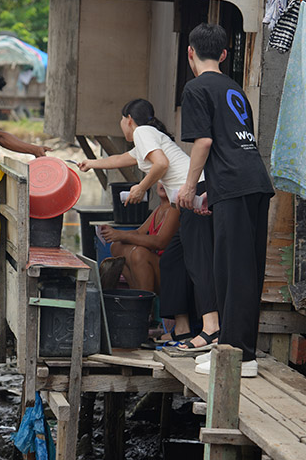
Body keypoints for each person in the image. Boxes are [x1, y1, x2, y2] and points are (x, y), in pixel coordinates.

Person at [177, 23, 274, 378]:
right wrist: (208, 191)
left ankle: (238, 357)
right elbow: (235, 145)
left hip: (234, 186)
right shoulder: (235, 88)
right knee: (244, 271)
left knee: (232, 273)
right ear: (223, 54)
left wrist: (189, 188)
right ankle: (236, 351)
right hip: (254, 183)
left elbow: (204, 142)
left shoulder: (196, 88)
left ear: (190, 53)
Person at [78, 99, 214, 346]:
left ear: (128, 118)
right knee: (173, 260)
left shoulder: (142, 132)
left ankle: (210, 329)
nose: (122, 125)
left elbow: (161, 164)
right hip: (185, 200)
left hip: (197, 195)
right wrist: (91, 163)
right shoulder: (148, 136)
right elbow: (120, 159)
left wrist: (141, 188)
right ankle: (182, 329)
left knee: (198, 262)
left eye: (121, 121)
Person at [96, 183, 179, 294]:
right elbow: (138, 232)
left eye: (168, 180)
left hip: (170, 272)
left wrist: (121, 235)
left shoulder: (174, 209)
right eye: (161, 179)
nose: (163, 183)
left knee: (139, 253)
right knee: (116, 246)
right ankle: (137, 296)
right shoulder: (159, 209)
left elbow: (160, 242)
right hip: (155, 269)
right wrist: (113, 232)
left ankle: (145, 304)